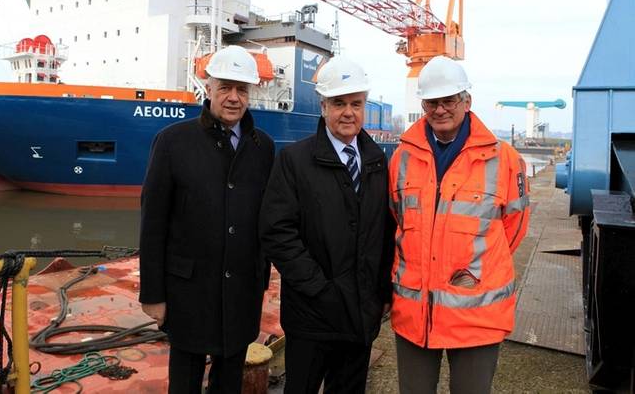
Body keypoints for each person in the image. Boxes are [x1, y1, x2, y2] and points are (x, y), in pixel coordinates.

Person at [388, 57, 531, 393]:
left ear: (467, 101)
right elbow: (398, 218)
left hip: (476, 318)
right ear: (423, 104)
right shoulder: (402, 158)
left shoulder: (505, 159)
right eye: (432, 102)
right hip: (415, 315)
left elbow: (514, 227)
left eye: (449, 100)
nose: (440, 110)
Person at [139, 45, 275, 393]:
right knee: (184, 382)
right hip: (188, 291)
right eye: (225, 87)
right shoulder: (172, 142)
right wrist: (153, 294)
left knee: (228, 382)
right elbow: (153, 222)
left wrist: (261, 278)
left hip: (242, 291)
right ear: (209, 89)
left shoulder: (264, 148)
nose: (233, 97)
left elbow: (267, 218)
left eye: (241, 89)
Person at [259, 59, 395, 393]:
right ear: (323, 107)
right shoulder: (294, 161)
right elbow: (277, 232)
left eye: (355, 104)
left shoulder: (377, 160)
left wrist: (382, 291)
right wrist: (319, 289)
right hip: (311, 316)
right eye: (339, 103)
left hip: (361, 315)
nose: (348, 112)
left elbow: (385, 231)